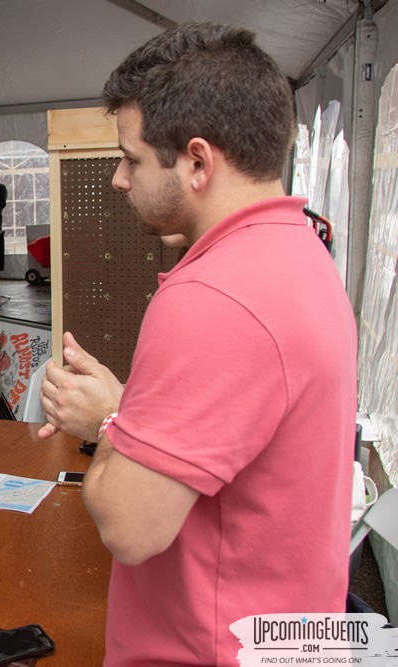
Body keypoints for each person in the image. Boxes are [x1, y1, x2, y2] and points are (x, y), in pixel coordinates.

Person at [37, 23, 357, 665]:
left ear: (198, 162)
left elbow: (130, 526)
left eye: (130, 158)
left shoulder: (214, 298)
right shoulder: (300, 250)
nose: (119, 180)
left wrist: (107, 419)